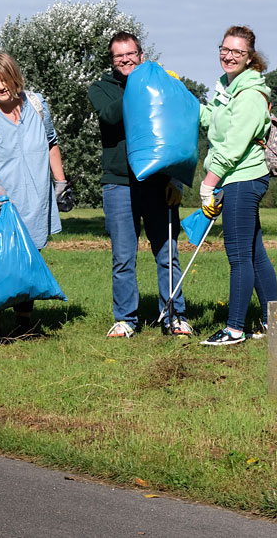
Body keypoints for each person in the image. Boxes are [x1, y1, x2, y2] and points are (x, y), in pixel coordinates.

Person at [88, 31, 192, 339]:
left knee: (167, 253)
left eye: (130, 54)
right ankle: (126, 320)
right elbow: (109, 117)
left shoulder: (159, 82)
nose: (125, 60)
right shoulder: (101, 88)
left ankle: (174, 316)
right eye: (119, 56)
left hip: (157, 182)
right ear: (112, 60)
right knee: (123, 257)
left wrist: (176, 179)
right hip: (118, 183)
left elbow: (177, 126)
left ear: (141, 55)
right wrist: (141, 84)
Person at [0, 52, 67, 338]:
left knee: (27, 260)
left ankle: (25, 322)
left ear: (15, 77)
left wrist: (61, 182)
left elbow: (51, 144)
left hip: (32, 199)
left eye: (4, 79)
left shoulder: (36, 104)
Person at [198, 26, 277, 346]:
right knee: (255, 254)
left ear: (250, 57)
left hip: (242, 178)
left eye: (238, 52)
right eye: (225, 49)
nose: (229, 56)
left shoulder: (248, 94)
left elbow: (232, 147)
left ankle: (234, 329)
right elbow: (212, 122)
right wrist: (182, 101)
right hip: (238, 178)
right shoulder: (227, 89)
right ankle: (275, 322)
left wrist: (208, 184)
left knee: (239, 257)